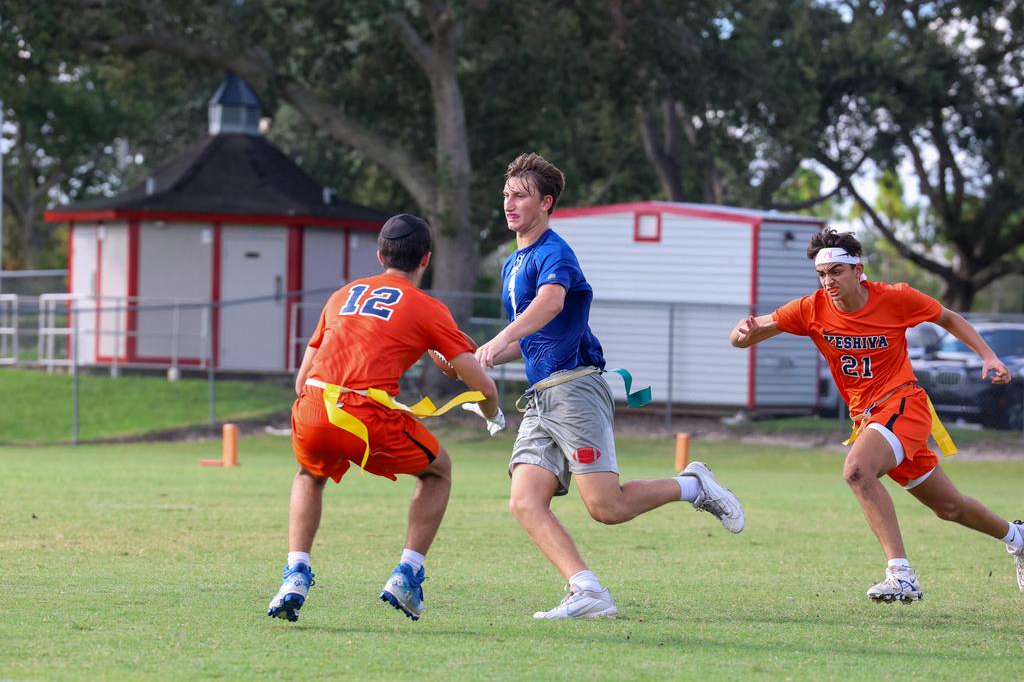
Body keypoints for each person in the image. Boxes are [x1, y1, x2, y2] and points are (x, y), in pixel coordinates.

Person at [473, 152, 745, 620]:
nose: (509, 204)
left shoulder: (554, 252)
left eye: (520, 196)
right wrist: (485, 355)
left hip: (574, 389)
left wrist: (499, 339)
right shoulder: (512, 263)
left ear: (547, 202)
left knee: (606, 507)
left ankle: (692, 485)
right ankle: (587, 590)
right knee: (524, 501)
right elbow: (534, 335)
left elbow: (551, 304)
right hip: (542, 398)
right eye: (506, 195)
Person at [730, 228, 1024, 601]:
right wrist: (741, 333)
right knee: (950, 507)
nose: (828, 281)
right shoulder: (810, 308)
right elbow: (747, 334)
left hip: (904, 404)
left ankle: (901, 576)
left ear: (858, 270)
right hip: (870, 420)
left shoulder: (895, 298)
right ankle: (1018, 537)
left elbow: (948, 318)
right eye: (822, 274)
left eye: (836, 271)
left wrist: (988, 356)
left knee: (856, 470)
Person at [267, 213, 502, 623]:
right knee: (438, 471)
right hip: (367, 416)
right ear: (426, 259)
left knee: (309, 474)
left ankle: (295, 572)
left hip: (314, 407)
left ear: (380, 255)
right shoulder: (427, 307)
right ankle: (407, 574)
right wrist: (493, 416)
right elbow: (483, 386)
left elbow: (301, 380)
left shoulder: (342, 295)